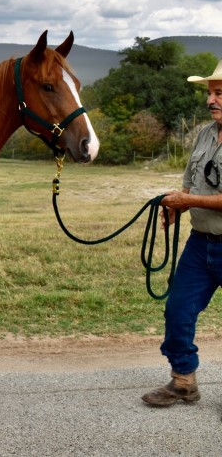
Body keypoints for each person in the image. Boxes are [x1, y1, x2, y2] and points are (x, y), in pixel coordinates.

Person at [142, 60, 222, 407]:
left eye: (219, 93)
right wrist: (179, 205)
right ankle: (183, 381)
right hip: (200, 243)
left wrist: (188, 198)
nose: (211, 100)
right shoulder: (205, 133)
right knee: (178, 309)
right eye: (210, 93)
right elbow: (192, 182)